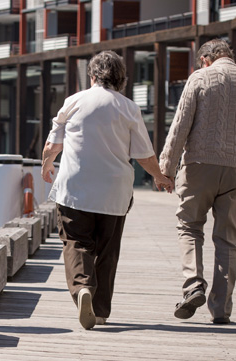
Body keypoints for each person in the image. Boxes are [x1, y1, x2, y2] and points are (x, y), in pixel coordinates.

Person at [41, 50, 173, 330]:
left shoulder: (74, 101)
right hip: (114, 193)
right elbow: (144, 154)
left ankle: (82, 290)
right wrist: (159, 177)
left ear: (92, 75)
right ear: (121, 79)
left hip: (75, 188)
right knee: (107, 251)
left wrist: (47, 165)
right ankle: (99, 311)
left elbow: (53, 142)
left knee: (76, 243)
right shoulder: (129, 108)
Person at [158, 39, 236, 324]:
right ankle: (220, 309)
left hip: (200, 165)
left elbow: (180, 126)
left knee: (189, 226)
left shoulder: (199, 78)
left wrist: (167, 169)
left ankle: (193, 285)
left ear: (206, 59)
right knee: (227, 240)